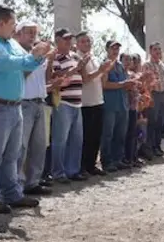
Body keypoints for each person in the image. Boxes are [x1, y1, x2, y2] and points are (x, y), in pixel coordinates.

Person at [0, 5, 50, 213]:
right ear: (0, 23)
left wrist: (38, 57)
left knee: (13, 154)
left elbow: (25, 65)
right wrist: (32, 57)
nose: (14, 27)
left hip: (14, 106)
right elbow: (5, 64)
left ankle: (12, 193)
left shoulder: (11, 44)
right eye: (12, 23)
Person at [14, 20, 58, 196]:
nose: (33, 35)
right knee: (21, 147)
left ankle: (33, 181)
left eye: (34, 31)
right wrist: (34, 57)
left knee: (39, 145)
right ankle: (17, 183)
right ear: (19, 34)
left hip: (40, 101)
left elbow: (43, 79)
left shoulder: (40, 55)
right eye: (28, 31)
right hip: (24, 103)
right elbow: (20, 77)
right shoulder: (17, 53)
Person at [48, 28, 90, 183]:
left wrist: (82, 67)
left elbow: (83, 78)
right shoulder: (55, 57)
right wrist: (76, 68)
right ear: (57, 40)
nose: (68, 41)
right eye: (65, 39)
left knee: (76, 139)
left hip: (77, 103)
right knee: (60, 139)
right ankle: (58, 173)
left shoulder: (74, 56)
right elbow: (57, 77)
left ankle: (73, 170)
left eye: (69, 39)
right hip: (63, 102)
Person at [76, 31, 112, 176]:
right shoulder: (78, 58)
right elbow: (85, 79)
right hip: (85, 103)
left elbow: (99, 79)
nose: (87, 44)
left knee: (96, 136)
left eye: (88, 41)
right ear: (77, 44)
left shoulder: (94, 58)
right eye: (83, 41)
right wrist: (100, 71)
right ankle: (82, 166)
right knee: (85, 137)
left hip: (98, 100)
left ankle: (91, 165)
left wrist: (105, 71)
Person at [100, 41, 133, 172]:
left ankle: (118, 159)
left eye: (117, 48)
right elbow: (104, 84)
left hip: (122, 104)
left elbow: (125, 84)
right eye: (113, 48)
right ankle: (106, 162)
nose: (115, 50)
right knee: (108, 134)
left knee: (120, 134)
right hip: (110, 105)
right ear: (107, 49)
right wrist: (123, 84)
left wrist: (131, 85)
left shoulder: (120, 66)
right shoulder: (105, 64)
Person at [142, 42, 164, 158]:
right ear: (150, 51)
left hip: (163, 94)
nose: (158, 52)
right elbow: (145, 82)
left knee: (160, 122)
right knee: (152, 122)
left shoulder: (162, 65)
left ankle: (157, 147)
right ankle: (149, 148)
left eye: (159, 49)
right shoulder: (147, 65)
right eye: (155, 49)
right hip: (153, 94)